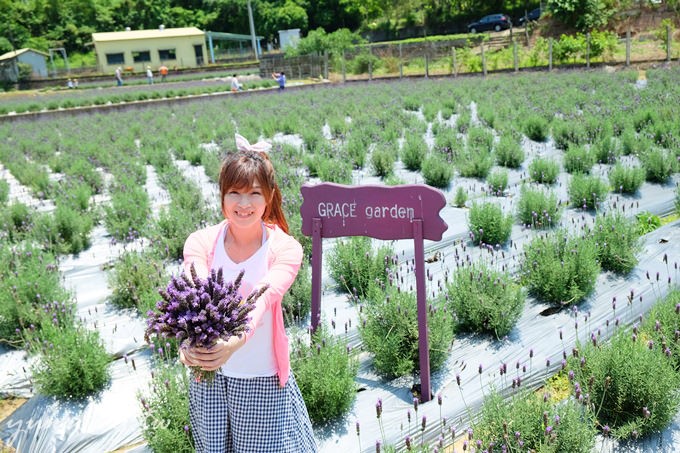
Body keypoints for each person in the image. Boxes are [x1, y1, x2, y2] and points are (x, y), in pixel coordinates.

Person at [180, 133, 317, 453]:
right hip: (210, 379)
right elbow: (194, 294)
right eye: (235, 193)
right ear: (222, 197)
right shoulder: (200, 242)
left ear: (269, 197)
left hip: (261, 378)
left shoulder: (285, 249)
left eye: (254, 193)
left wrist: (233, 342)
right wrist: (186, 343)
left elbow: (262, 298)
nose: (244, 204)